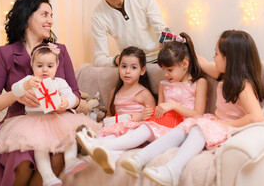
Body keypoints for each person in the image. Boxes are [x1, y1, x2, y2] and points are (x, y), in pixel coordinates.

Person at [120, 30, 264, 186]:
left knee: (198, 127)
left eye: (216, 54)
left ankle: (173, 170)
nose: (213, 58)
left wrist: (223, 125)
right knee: (185, 126)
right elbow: (199, 61)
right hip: (216, 123)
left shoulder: (243, 85)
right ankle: (141, 158)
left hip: (230, 126)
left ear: (230, 59)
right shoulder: (224, 76)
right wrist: (180, 47)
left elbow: (257, 117)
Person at [0, 0, 82, 186]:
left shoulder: (59, 51)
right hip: (19, 127)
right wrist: (15, 95)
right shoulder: (4, 54)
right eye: (45, 15)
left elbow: (76, 94)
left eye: (51, 16)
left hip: (55, 122)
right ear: (27, 16)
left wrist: (65, 104)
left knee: (56, 158)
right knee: (21, 163)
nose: (50, 21)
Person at [77, 34, 208, 175]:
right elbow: (158, 112)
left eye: (169, 70)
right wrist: (143, 115)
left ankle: (101, 145)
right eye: (164, 70)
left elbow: (198, 114)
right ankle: (109, 152)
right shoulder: (164, 85)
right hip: (163, 125)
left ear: (185, 64)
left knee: (145, 128)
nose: (165, 74)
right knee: (141, 127)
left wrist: (173, 106)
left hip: (180, 128)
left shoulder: (199, 82)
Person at [0, 43, 100, 186]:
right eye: (40, 66)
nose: (45, 70)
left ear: (56, 65)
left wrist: (66, 103)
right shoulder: (30, 81)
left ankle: (71, 160)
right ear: (32, 65)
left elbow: (72, 97)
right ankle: (48, 176)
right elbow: (15, 90)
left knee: (69, 136)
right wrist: (26, 85)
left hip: (56, 118)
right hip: (34, 121)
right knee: (40, 148)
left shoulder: (59, 82)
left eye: (49, 66)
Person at [76, 46, 156, 172]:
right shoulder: (115, 92)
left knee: (121, 139)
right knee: (105, 135)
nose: (127, 71)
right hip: (117, 127)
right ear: (119, 68)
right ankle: (105, 155)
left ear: (142, 70)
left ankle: (97, 146)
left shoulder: (144, 94)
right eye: (124, 66)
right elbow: (109, 114)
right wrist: (107, 121)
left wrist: (140, 116)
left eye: (133, 67)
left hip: (134, 130)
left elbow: (153, 121)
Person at [90, 0, 167, 67]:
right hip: (132, 67)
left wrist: (168, 45)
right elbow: (99, 59)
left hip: (160, 59)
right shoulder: (98, 16)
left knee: (196, 60)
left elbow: (161, 29)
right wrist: (120, 59)